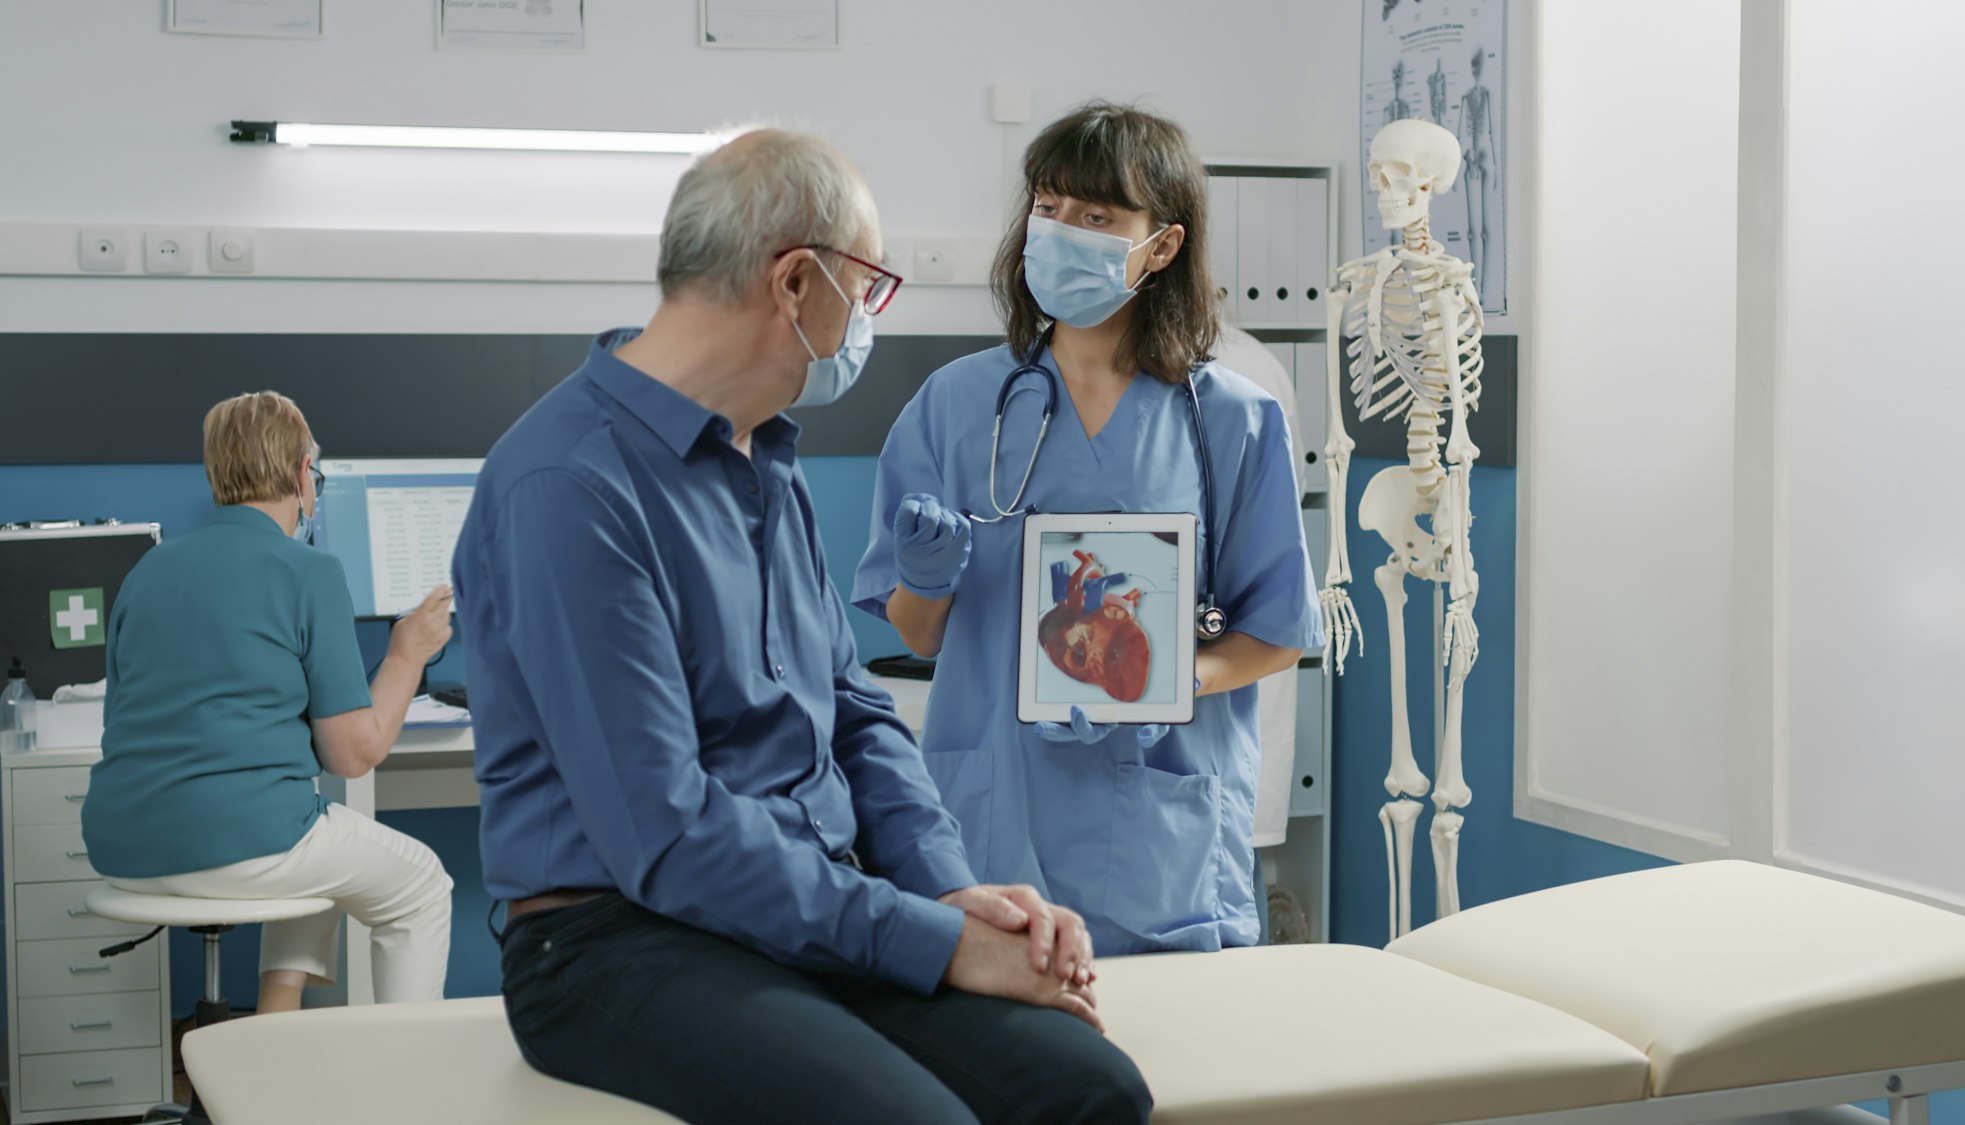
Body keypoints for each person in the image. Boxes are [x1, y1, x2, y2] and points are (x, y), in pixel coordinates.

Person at [450, 129, 1150, 1125]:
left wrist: (949, 895)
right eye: (867, 287)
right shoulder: (570, 484)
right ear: (794, 283)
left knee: (1093, 1090)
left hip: (803, 906)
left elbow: (856, 717)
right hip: (619, 940)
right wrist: (932, 946)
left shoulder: (759, 458)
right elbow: (666, 831)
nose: (867, 317)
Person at [854, 102, 1326, 956]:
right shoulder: (956, 406)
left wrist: (1165, 680)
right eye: (1048, 207)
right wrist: (924, 579)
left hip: (1157, 825)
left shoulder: (1234, 420)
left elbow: (1275, 635)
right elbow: (918, 634)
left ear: (1162, 246)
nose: (1061, 230)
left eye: (1097, 216)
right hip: (994, 813)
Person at [82, 391, 455, 1012]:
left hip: (124, 841)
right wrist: (405, 652)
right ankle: (405, 1079)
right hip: (238, 843)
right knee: (420, 884)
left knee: (324, 833)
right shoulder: (308, 571)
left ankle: (274, 1021)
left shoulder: (146, 571)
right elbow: (353, 755)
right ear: (302, 474)